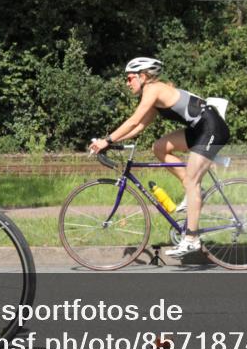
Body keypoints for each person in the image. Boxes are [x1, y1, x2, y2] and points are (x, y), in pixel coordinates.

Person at [89, 57, 230, 258]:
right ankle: (193, 191)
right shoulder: (153, 97)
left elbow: (133, 121)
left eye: (129, 78)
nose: (127, 83)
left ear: (143, 76)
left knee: (192, 182)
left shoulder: (153, 89)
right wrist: (110, 141)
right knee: (159, 148)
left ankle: (192, 239)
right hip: (199, 129)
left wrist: (107, 140)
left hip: (211, 128)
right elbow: (138, 127)